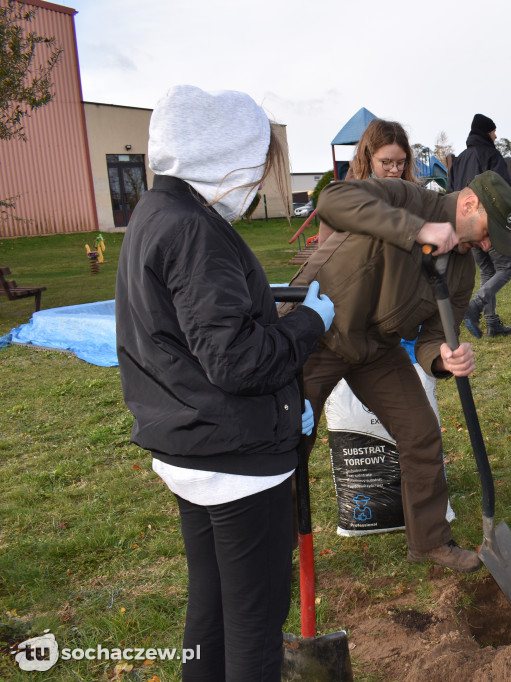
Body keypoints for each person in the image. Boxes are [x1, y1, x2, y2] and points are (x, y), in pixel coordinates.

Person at [115, 85, 336, 681]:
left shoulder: (152, 215)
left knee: (210, 609)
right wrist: (311, 324)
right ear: (222, 157)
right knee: (254, 628)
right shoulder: (196, 232)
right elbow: (236, 362)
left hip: (191, 445)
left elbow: (195, 338)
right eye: (253, 168)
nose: (254, 184)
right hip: (236, 462)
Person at [294, 170, 511, 571]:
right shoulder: (407, 199)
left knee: (420, 431)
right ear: (469, 204)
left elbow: (435, 336)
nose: (487, 245)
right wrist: (417, 229)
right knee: (289, 441)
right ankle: (273, 555)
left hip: (376, 348)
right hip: (320, 332)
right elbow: (332, 201)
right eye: (488, 233)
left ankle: (430, 542)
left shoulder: (462, 268)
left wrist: (443, 358)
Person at [450, 114, 511, 338]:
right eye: (493, 131)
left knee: (488, 270)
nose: (496, 135)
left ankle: (491, 322)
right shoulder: (491, 154)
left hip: (466, 226)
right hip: (490, 224)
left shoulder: (459, 159)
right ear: (486, 132)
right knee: (506, 268)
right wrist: (510, 220)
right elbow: (504, 189)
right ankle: (476, 305)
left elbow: (451, 193)